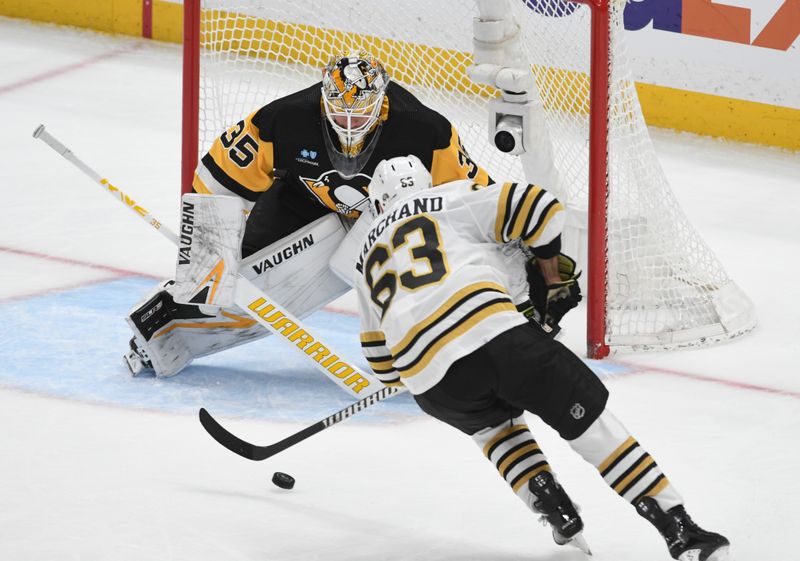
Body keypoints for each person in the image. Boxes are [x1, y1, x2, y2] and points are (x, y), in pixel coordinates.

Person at [354, 155, 731, 561]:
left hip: (432, 384)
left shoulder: (364, 260)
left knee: (495, 430)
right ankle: (678, 528)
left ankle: (551, 505)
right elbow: (540, 207)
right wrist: (550, 276)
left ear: (378, 203)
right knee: (591, 426)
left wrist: (423, 361)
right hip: (494, 336)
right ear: (426, 184)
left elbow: (383, 364)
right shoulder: (450, 198)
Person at [122, 51, 495, 378]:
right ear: (323, 99)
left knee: (407, 185)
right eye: (340, 115)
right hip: (302, 202)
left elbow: (475, 198)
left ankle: (424, 340)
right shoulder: (283, 119)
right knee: (238, 281)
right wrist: (209, 259)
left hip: (386, 220)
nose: (349, 125)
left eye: (359, 115)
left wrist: (506, 260)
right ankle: (162, 330)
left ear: (381, 104)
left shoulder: (426, 131)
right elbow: (219, 177)